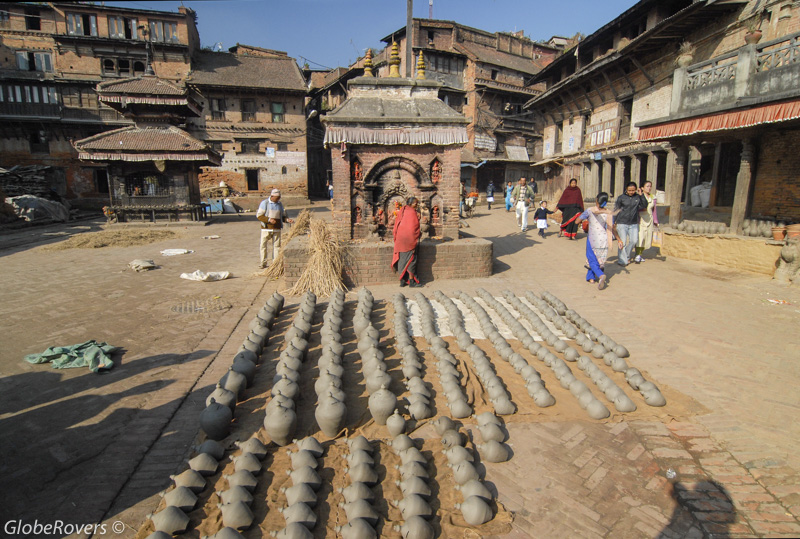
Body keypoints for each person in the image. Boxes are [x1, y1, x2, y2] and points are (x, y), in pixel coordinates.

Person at [575, 192, 620, 290]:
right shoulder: (608, 212)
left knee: (592, 259)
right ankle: (591, 277)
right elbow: (612, 227)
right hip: (603, 239)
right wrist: (619, 239)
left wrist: (580, 219)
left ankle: (600, 275)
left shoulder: (590, 210)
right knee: (598, 259)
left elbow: (577, 221)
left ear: (596, 200)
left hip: (592, 238)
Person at [257, 188, 293, 269]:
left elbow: (283, 216)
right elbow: (259, 215)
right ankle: (263, 263)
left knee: (276, 246)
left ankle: (275, 263)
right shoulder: (265, 203)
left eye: (279, 198)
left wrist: (287, 220)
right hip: (266, 228)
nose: (278, 200)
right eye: (276, 198)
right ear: (272, 196)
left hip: (277, 228)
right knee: (263, 245)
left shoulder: (280, 204)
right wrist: (269, 220)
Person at [614, 181, 648, 266]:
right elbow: (616, 209)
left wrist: (641, 195)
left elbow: (644, 205)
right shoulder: (621, 198)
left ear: (636, 190)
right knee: (623, 242)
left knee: (633, 241)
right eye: (629, 190)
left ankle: (627, 256)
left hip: (633, 223)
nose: (631, 192)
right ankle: (622, 260)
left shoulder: (638, 197)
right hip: (622, 222)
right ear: (626, 189)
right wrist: (614, 221)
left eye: (633, 190)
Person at [391, 196, 422, 287]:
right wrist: (417, 235)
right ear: (410, 203)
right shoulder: (412, 212)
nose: (416, 205)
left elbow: (397, 225)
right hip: (409, 240)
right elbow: (414, 228)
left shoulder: (402, 210)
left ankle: (402, 280)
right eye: (415, 203)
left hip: (400, 240)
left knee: (402, 260)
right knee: (412, 260)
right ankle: (411, 282)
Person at [635, 180, 659, 263]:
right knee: (640, 237)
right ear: (642, 188)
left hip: (649, 219)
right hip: (641, 219)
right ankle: (637, 254)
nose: (649, 188)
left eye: (650, 186)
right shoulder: (638, 197)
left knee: (646, 238)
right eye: (647, 186)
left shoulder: (653, 197)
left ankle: (640, 254)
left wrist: (655, 220)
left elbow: (654, 210)